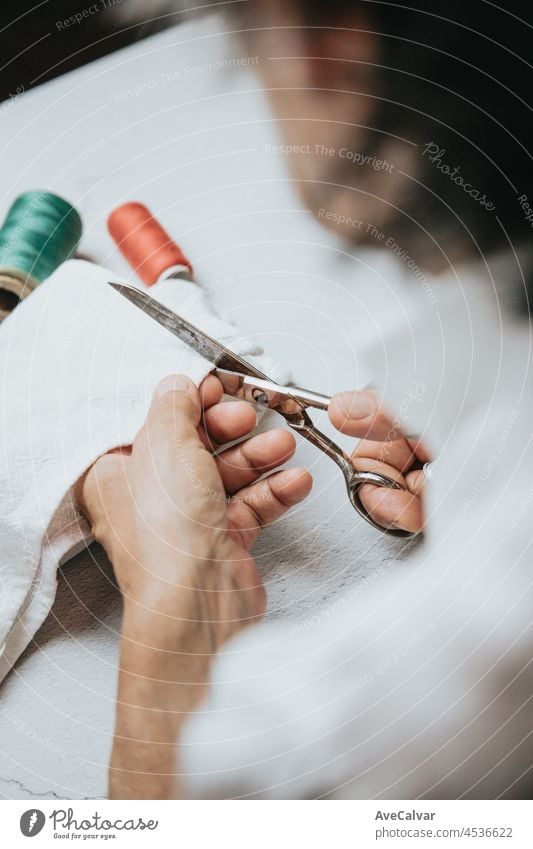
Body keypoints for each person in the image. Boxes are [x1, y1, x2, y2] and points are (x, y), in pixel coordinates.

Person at [76, 0, 533, 798]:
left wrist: (169, 588)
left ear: (326, 48)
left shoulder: (489, 615)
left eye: (243, 50)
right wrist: (475, 459)